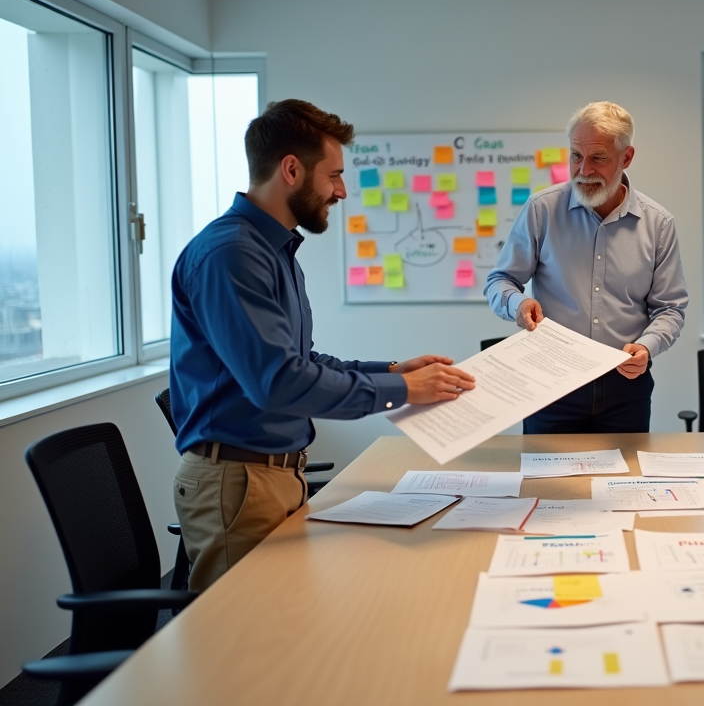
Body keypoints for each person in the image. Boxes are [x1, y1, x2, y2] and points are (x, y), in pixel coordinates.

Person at [170, 99, 475, 591]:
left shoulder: (274, 251)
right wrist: (403, 390)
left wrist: (393, 370)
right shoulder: (232, 254)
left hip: (271, 477)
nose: (342, 191)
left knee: (286, 620)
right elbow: (278, 382)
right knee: (245, 631)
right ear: (291, 169)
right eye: (333, 176)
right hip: (239, 483)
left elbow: (300, 360)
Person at [483, 101, 687, 433]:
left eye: (598, 159)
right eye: (576, 156)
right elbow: (500, 280)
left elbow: (670, 308)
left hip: (625, 386)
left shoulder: (658, 224)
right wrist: (517, 304)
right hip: (549, 383)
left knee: (623, 469)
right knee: (546, 470)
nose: (584, 170)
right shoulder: (541, 209)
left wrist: (647, 346)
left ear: (626, 157)